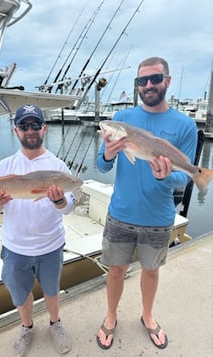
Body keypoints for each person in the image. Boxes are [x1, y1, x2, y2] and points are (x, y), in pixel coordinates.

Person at [96, 57, 197, 350]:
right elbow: (102, 167)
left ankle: (148, 316)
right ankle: (111, 316)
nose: (148, 85)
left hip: (158, 218)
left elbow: (185, 178)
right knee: (115, 270)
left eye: (155, 79)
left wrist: (165, 177)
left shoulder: (185, 125)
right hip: (120, 214)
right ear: (137, 85)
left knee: (151, 271)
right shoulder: (122, 120)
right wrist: (109, 153)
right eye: (142, 81)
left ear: (167, 80)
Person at [0, 104, 74, 356]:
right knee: (20, 292)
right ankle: (26, 327)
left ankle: (56, 324)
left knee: (51, 289)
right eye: (24, 125)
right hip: (15, 247)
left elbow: (69, 207)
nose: (30, 130)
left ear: (44, 128)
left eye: (36, 125)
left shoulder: (57, 167)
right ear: (16, 131)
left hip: (50, 244)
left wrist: (59, 200)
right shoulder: (4, 166)